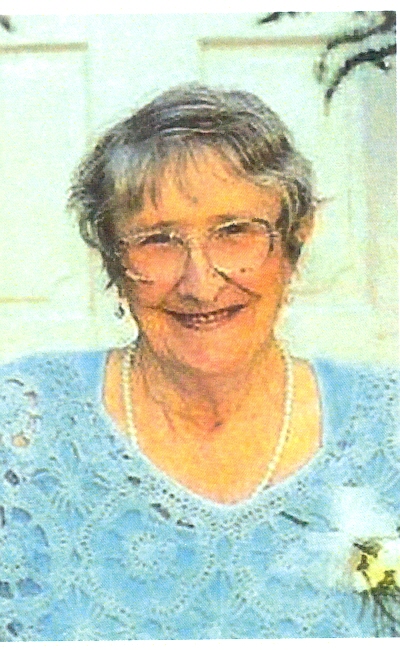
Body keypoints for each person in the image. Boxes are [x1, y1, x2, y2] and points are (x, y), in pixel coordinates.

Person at [0, 85, 398, 641]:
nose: (200, 283)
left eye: (235, 233)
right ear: (112, 259)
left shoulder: (388, 426)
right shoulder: (22, 426)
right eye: (157, 241)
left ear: (295, 239)